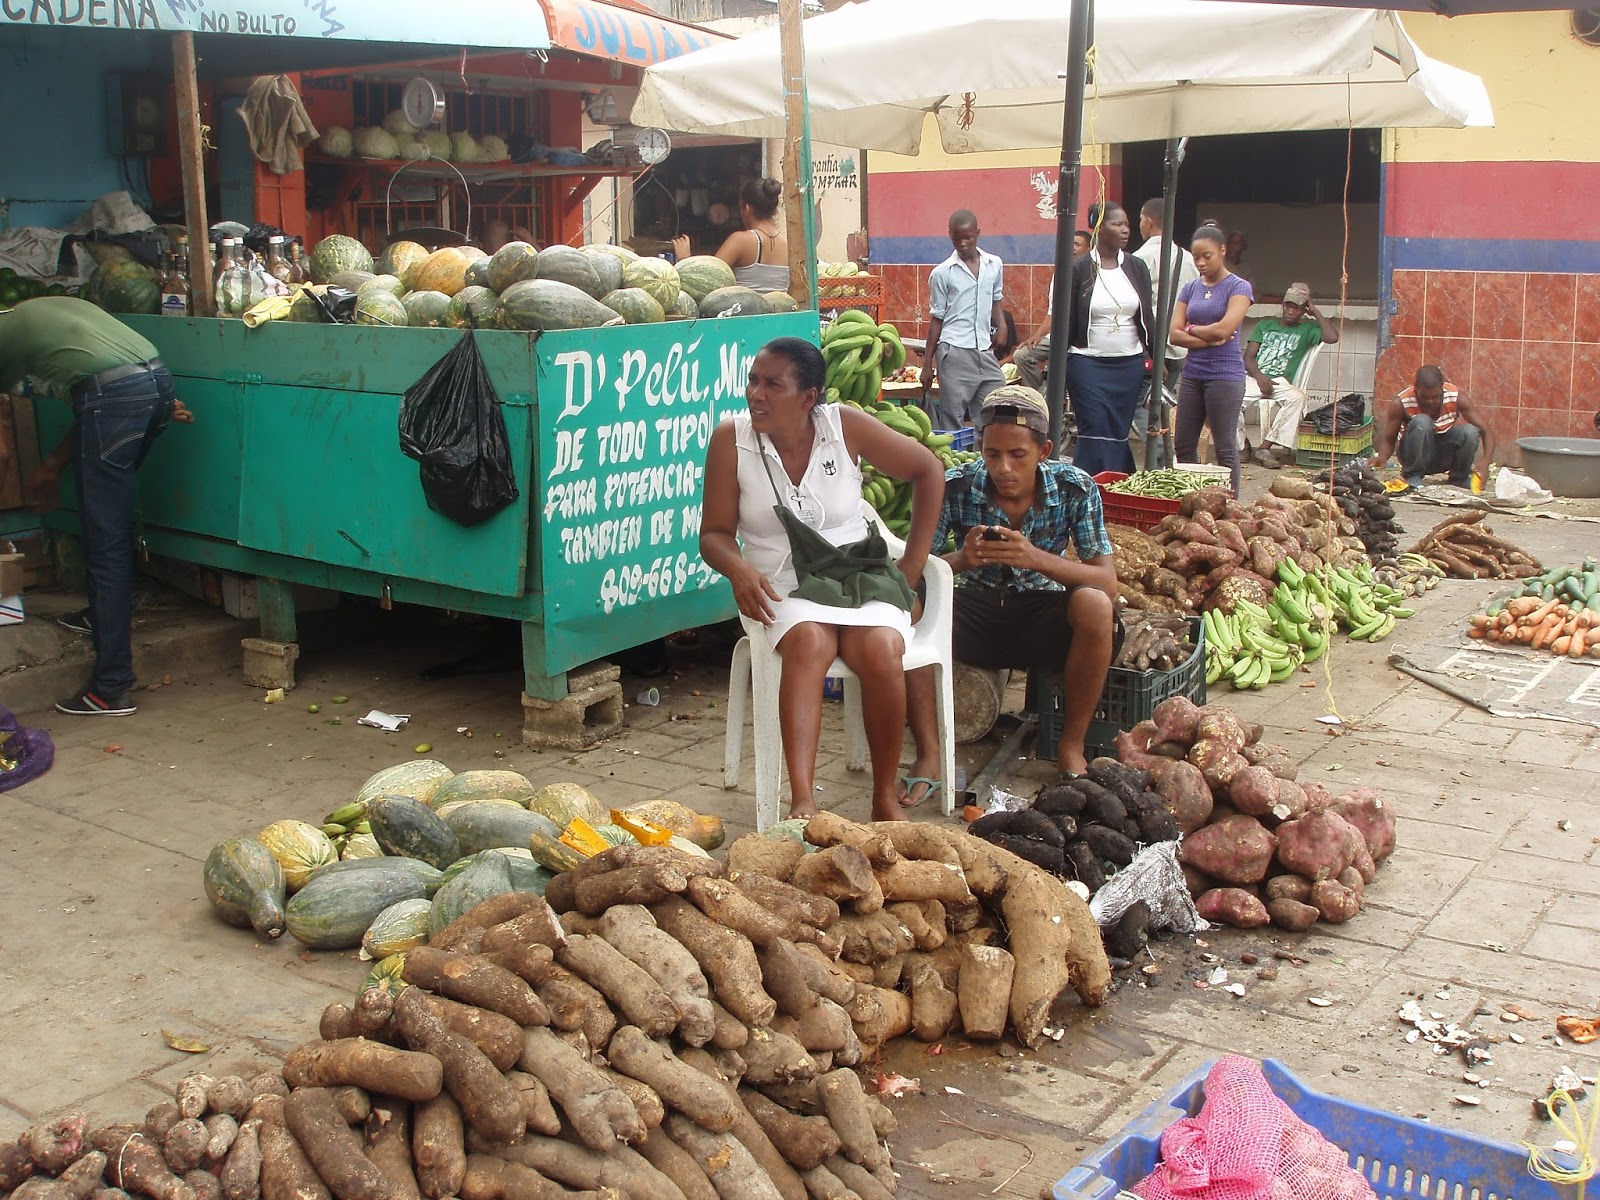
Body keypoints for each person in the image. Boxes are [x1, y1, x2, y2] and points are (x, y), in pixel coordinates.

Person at [700, 337, 945, 822]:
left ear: (809, 397)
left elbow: (928, 469)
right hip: (781, 580)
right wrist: (738, 567)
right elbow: (714, 534)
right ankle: (804, 801)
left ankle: (882, 797)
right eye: (753, 381)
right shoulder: (732, 440)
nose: (756, 394)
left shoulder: (842, 427)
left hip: (859, 572)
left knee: (880, 649)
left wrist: (912, 566)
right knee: (809, 642)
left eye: (772, 384)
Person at [901, 386, 1116, 790]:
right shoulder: (954, 486)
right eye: (992, 454)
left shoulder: (1075, 487)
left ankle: (1071, 746)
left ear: (1044, 451)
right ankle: (929, 751)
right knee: (906, 601)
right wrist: (961, 561)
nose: (1004, 468)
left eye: (1018, 455)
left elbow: (1108, 580)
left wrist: (1035, 558)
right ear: (980, 447)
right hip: (972, 612)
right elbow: (910, 572)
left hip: (1039, 614)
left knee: (1095, 605)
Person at [0, 296, 192, 716]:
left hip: (116, 397)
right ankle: (102, 615)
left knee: (104, 540)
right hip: (157, 383)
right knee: (111, 522)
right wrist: (52, 465)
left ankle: (110, 688)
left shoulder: (5, 333)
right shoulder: (46, 310)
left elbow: (101, 399)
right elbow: (96, 406)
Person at [1065, 201, 1157, 476]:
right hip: (1087, 363)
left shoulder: (1136, 267)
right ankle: (1090, 485)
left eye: (1127, 224)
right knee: (1095, 425)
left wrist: (1153, 354)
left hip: (1128, 364)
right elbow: (1066, 320)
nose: (1125, 230)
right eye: (1117, 224)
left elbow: (1146, 314)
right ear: (1098, 229)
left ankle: (1117, 484)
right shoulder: (1079, 269)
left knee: (1118, 429)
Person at [1169, 226, 1253, 495]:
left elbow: (1225, 329)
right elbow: (1173, 334)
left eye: (1207, 256)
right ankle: (1192, 498)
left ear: (1223, 251)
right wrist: (1205, 335)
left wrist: (1191, 329)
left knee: (1224, 445)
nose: (1201, 263)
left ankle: (1231, 504)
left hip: (1225, 376)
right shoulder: (1190, 288)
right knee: (1183, 444)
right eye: (1196, 258)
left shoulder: (1239, 287)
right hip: (1193, 374)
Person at [922, 209, 1006, 431]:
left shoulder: (994, 264)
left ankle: (987, 461)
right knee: (953, 420)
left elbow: (996, 298)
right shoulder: (942, 273)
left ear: (978, 233)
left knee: (995, 412)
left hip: (984, 350)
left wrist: (1002, 326)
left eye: (968, 237)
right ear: (950, 235)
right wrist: (927, 365)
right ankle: (954, 463)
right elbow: (936, 319)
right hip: (954, 351)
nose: (963, 244)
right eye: (956, 238)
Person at [1243, 282, 1341, 468]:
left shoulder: (1307, 329)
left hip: (1281, 383)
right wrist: (1260, 376)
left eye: (1297, 308)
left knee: (1298, 397)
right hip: (1256, 378)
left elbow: (1332, 337)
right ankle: (1242, 445)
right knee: (1228, 398)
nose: (1291, 311)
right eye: (1288, 306)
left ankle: (1264, 448)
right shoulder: (1264, 325)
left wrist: (1315, 311)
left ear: (1304, 310)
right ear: (1283, 305)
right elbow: (1248, 357)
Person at [1132, 198, 1199, 465]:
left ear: (1148, 220)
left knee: (1140, 406)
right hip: (1179, 346)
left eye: (1139, 220)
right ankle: (1162, 463)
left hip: (1151, 347)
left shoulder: (1139, 259)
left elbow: (1137, 309)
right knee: (1160, 406)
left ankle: (1161, 458)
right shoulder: (1187, 258)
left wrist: (1150, 350)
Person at [1372, 365, 1494, 489]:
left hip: (1443, 456)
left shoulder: (1456, 397)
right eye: (1424, 397)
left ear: (1442, 388)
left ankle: (1459, 477)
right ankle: (1413, 475)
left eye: (1435, 397)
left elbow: (1486, 431)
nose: (1430, 401)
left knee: (1470, 431)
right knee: (1422, 421)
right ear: (1415, 389)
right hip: (1413, 455)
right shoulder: (1401, 402)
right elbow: (1389, 439)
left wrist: (1485, 463)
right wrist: (1382, 457)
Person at [672, 177, 789, 294]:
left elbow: (708, 282)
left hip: (747, 311)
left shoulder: (741, 240)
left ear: (746, 209)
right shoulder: (788, 245)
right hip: (782, 311)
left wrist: (684, 258)